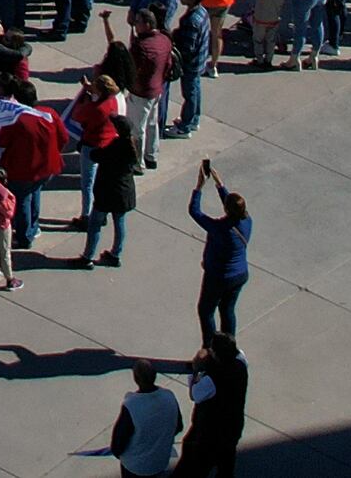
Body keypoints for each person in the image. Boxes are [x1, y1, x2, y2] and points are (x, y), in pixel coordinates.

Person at [187, 165, 249, 342]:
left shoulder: (220, 229)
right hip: (240, 274)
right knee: (227, 310)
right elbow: (232, 207)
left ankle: (209, 349)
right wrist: (220, 185)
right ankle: (229, 347)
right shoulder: (246, 221)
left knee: (205, 311)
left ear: (227, 210)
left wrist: (199, 186)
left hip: (219, 276)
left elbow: (195, 212)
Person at [178, 334, 248, 478]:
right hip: (234, 425)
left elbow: (195, 394)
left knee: (199, 464)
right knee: (227, 463)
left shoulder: (213, 379)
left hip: (212, 433)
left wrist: (196, 370)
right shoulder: (241, 361)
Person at [109, 358, 185, 476]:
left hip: (135, 467)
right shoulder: (169, 396)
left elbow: (118, 444)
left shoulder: (131, 405)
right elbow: (178, 427)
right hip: (160, 463)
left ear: (136, 379)